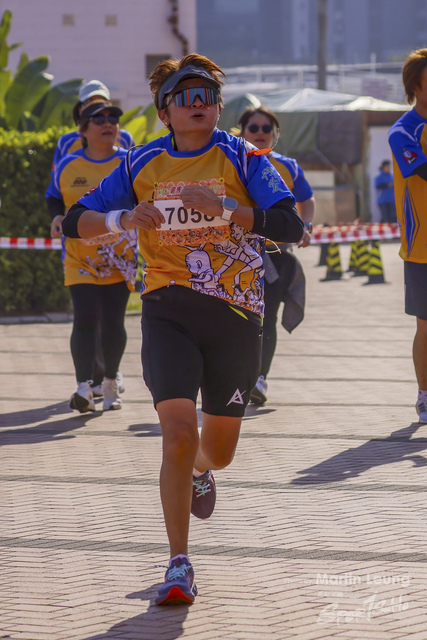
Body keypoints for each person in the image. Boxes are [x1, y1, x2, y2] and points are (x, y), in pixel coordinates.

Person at [62, 53, 304, 605]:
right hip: (166, 308)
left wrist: (228, 209)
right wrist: (123, 218)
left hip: (236, 315)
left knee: (216, 450)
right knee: (176, 431)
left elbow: (291, 226)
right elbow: (77, 221)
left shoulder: (244, 157)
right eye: (186, 98)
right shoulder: (139, 163)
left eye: (208, 97)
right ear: (164, 111)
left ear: (218, 107)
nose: (199, 106)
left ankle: (201, 469)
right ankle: (178, 563)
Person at [46, 98, 138, 412]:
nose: (108, 124)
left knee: (113, 321)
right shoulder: (67, 164)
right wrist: (56, 217)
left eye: (113, 118)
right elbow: (53, 196)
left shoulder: (130, 162)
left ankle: (110, 383)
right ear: (83, 129)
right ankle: (83, 387)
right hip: (79, 256)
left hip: (121, 256)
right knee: (84, 318)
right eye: (99, 120)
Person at [236, 106, 315, 404]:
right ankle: (234, 379)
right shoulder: (229, 161)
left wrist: (305, 225)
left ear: (275, 133)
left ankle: (259, 379)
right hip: (235, 255)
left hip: (275, 255)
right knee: (237, 320)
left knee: (267, 318)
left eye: (266, 128)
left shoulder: (288, 166)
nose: (259, 133)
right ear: (242, 131)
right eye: (253, 128)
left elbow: (306, 199)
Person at [388, 48, 427, 424]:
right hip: (422, 248)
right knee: (426, 326)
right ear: (416, 86)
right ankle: (424, 395)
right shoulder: (403, 131)